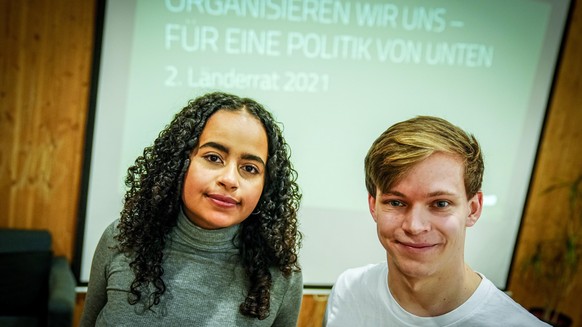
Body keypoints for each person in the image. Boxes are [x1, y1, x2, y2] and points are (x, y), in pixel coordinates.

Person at [80, 92, 303, 326]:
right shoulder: (122, 238)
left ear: (266, 185)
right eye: (213, 158)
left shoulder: (280, 273)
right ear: (180, 162)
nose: (229, 179)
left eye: (249, 168)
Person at [323, 116, 549, 326]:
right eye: (396, 202)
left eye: (440, 204)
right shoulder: (349, 291)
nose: (414, 226)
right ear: (373, 205)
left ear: (473, 208)